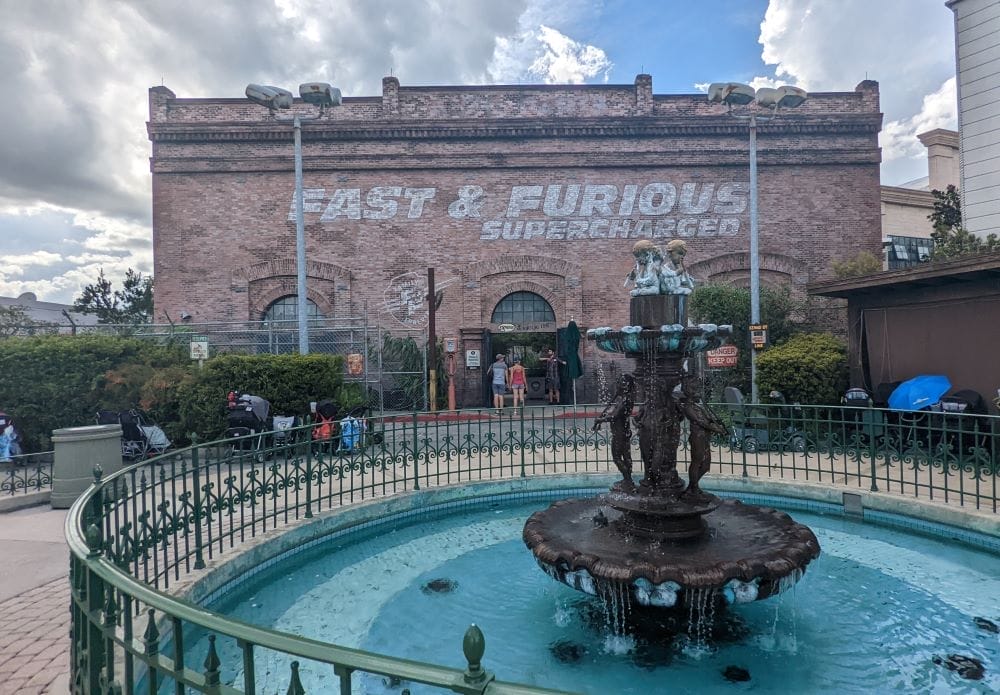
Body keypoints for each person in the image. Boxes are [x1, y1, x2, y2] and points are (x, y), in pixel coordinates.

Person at [592, 373, 636, 488]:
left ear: (625, 385)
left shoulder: (625, 400)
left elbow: (615, 417)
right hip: (623, 429)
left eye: (620, 382)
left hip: (620, 431)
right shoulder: (624, 398)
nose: (617, 384)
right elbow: (615, 414)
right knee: (626, 455)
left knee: (617, 456)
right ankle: (628, 479)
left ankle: (627, 479)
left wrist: (601, 419)